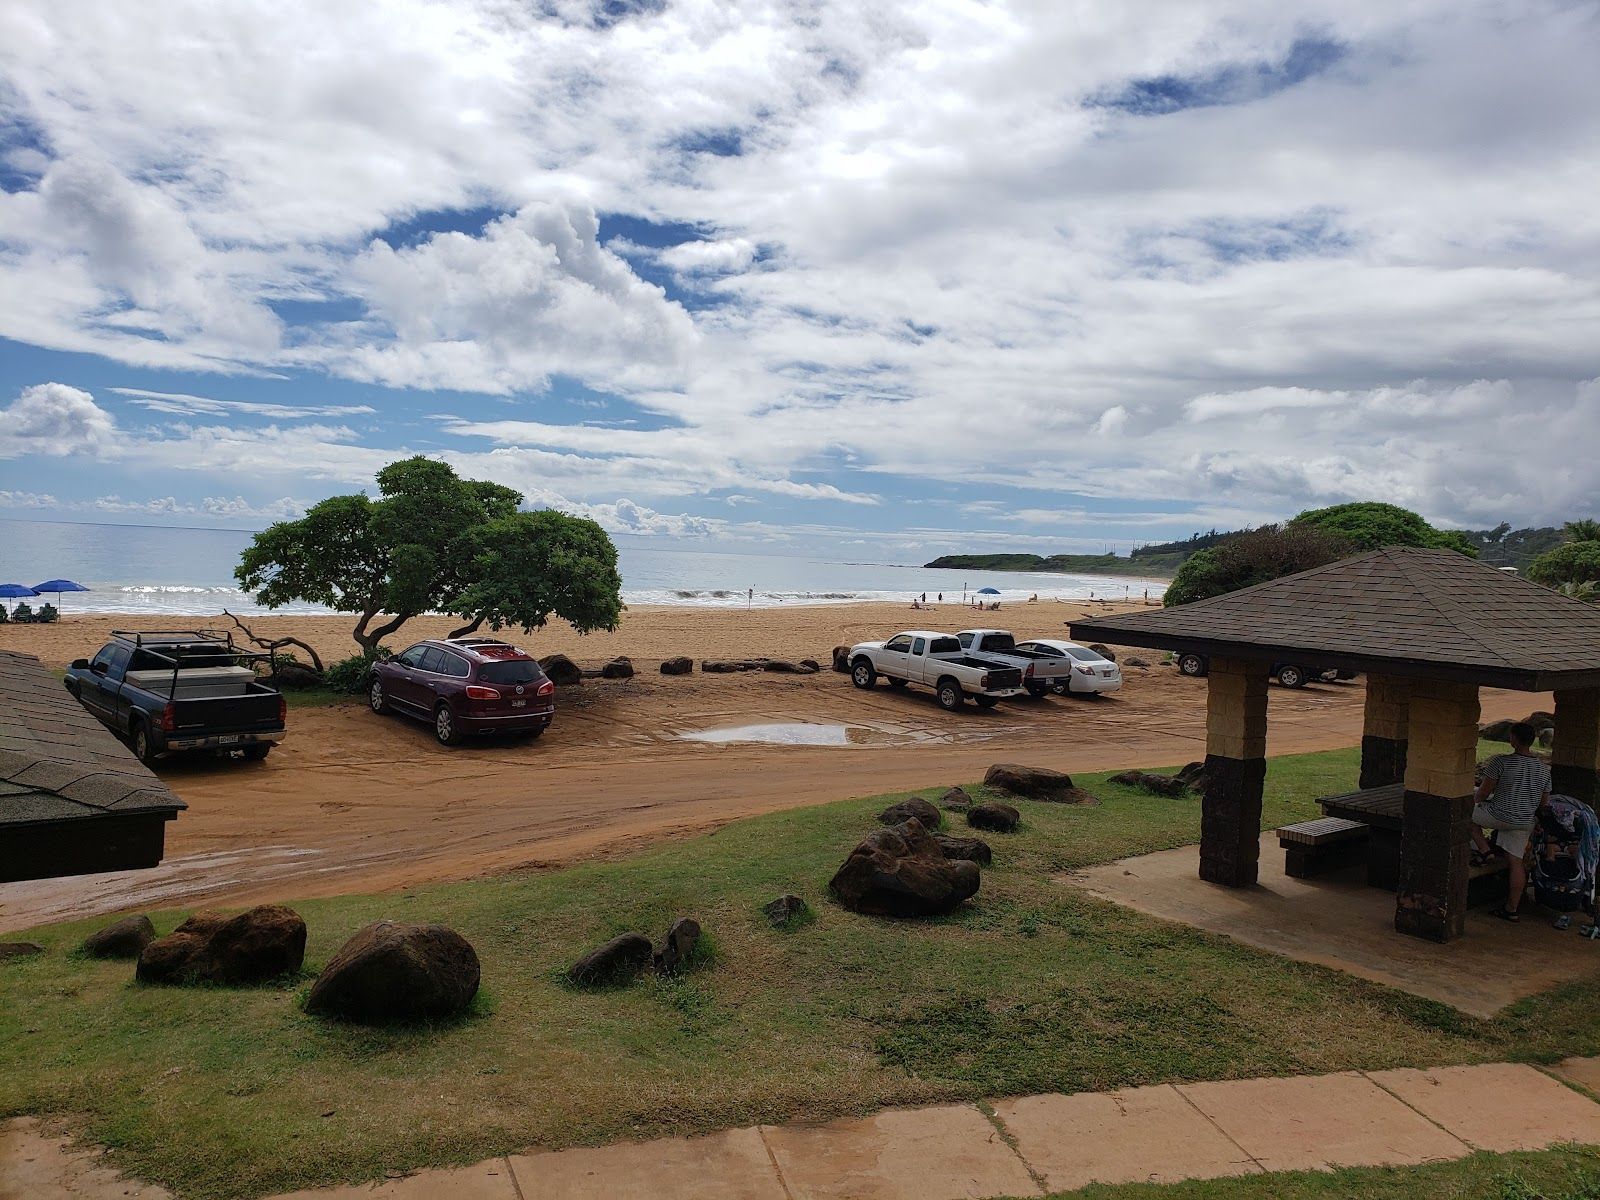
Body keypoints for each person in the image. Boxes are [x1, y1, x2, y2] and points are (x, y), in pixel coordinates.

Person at [1471, 721, 1551, 922]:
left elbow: (1481, 794)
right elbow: (1544, 803)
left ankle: (1484, 850)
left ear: (1513, 739)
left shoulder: (1501, 762)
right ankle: (1511, 909)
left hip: (1498, 815)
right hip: (1524, 820)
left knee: (1462, 813)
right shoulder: (1543, 770)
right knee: (1516, 862)